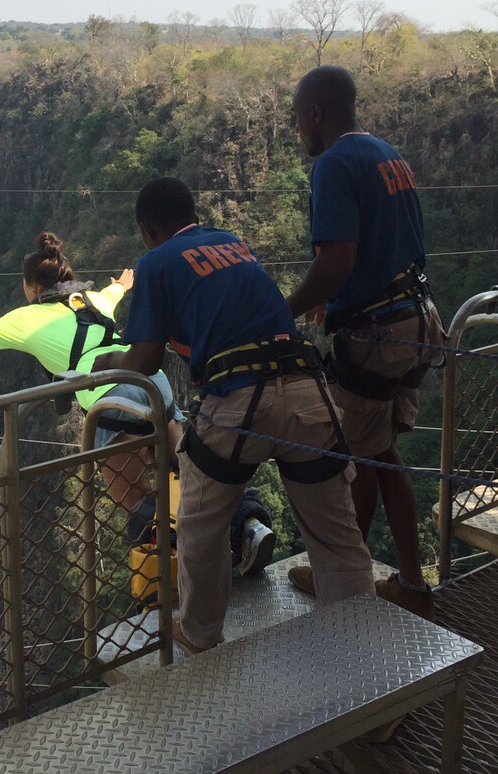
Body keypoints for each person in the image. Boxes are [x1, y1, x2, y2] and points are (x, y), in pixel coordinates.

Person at [0, 231, 277, 573]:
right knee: (192, 468)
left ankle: (192, 569)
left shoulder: (24, 319)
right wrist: (123, 284)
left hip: (110, 396)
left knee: (135, 499)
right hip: (152, 380)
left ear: (31, 285)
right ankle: (249, 527)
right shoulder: (94, 300)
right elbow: (114, 292)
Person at [93, 178, 374, 653]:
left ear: (147, 229)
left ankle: (200, 635)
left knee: (201, 525)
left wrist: (107, 363)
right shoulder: (233, 243)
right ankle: (365, 648)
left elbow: (144, 360)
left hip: (238, 400)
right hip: (307, 388)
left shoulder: (156, 262)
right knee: (334, 533)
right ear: (193, 214)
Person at [285, 65, 442, 620]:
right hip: (417, 319)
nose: (298, 129)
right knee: (381, 453)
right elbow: (382, 246)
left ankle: (343, 584)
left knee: (345, 461)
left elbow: (337, 259)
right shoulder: (386, 153)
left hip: (378, 334)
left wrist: (282, 313)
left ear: (316, 113)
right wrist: (333, 298)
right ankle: (412, 582)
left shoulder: (332, 164)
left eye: (298, 117)